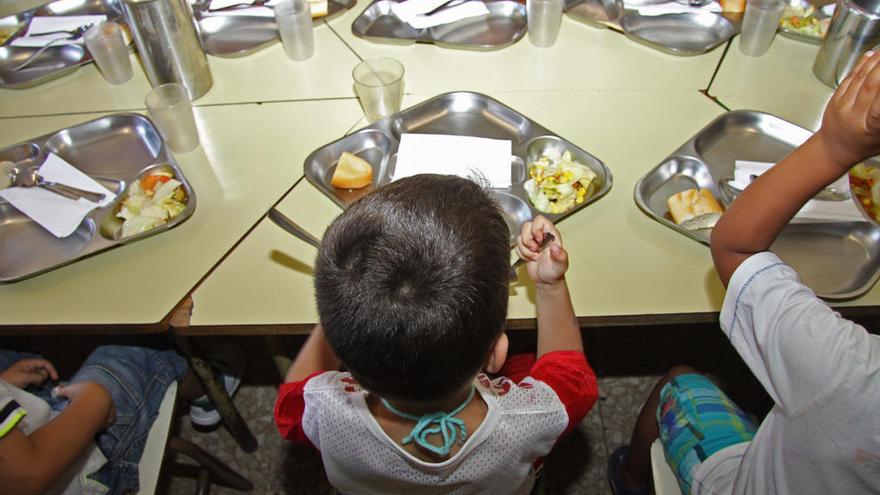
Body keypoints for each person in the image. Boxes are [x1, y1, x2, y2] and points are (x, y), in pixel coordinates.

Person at [608, 52, 880, 495]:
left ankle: (631, 478)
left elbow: (735, 245)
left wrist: (837, 146)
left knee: (679, 381)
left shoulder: (851, 373)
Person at [274, 174, 598, 493]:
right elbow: (571, 376)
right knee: (528, 363)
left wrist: (345, 303)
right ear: (496, 353)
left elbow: (289, 401)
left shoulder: (320, 408)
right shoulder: (534, 416)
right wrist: (549, 284)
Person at [0, 344, 194, 495]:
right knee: (144, 345)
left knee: (14, 354)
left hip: (30, 434)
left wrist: (5, 385)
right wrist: (95, 398)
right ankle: (207, 396)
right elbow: (24, 477)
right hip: (76, 472)